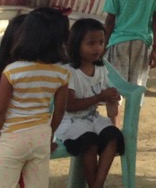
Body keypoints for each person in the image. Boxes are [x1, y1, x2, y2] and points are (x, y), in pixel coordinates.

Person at [0, 8, 69, 188]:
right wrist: (50, 132)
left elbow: (0, 111)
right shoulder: (61, 72)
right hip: (41, 135)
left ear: (27, 35)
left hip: (12, 137)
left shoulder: (12, 71)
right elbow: (60, 110)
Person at [54, 20, 122, 188]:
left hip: (92, 118)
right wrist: (100, 97)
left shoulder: (101, 69)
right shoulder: (69, 71)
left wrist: (112, 101)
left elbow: (109, 103)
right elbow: (69, 105)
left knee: (113, 137)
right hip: (70, 121)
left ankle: (97, 184)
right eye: (90, 43)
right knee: (90, 144)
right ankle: (94, 184)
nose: (97, 48)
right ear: (76, 45)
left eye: (101, 42)